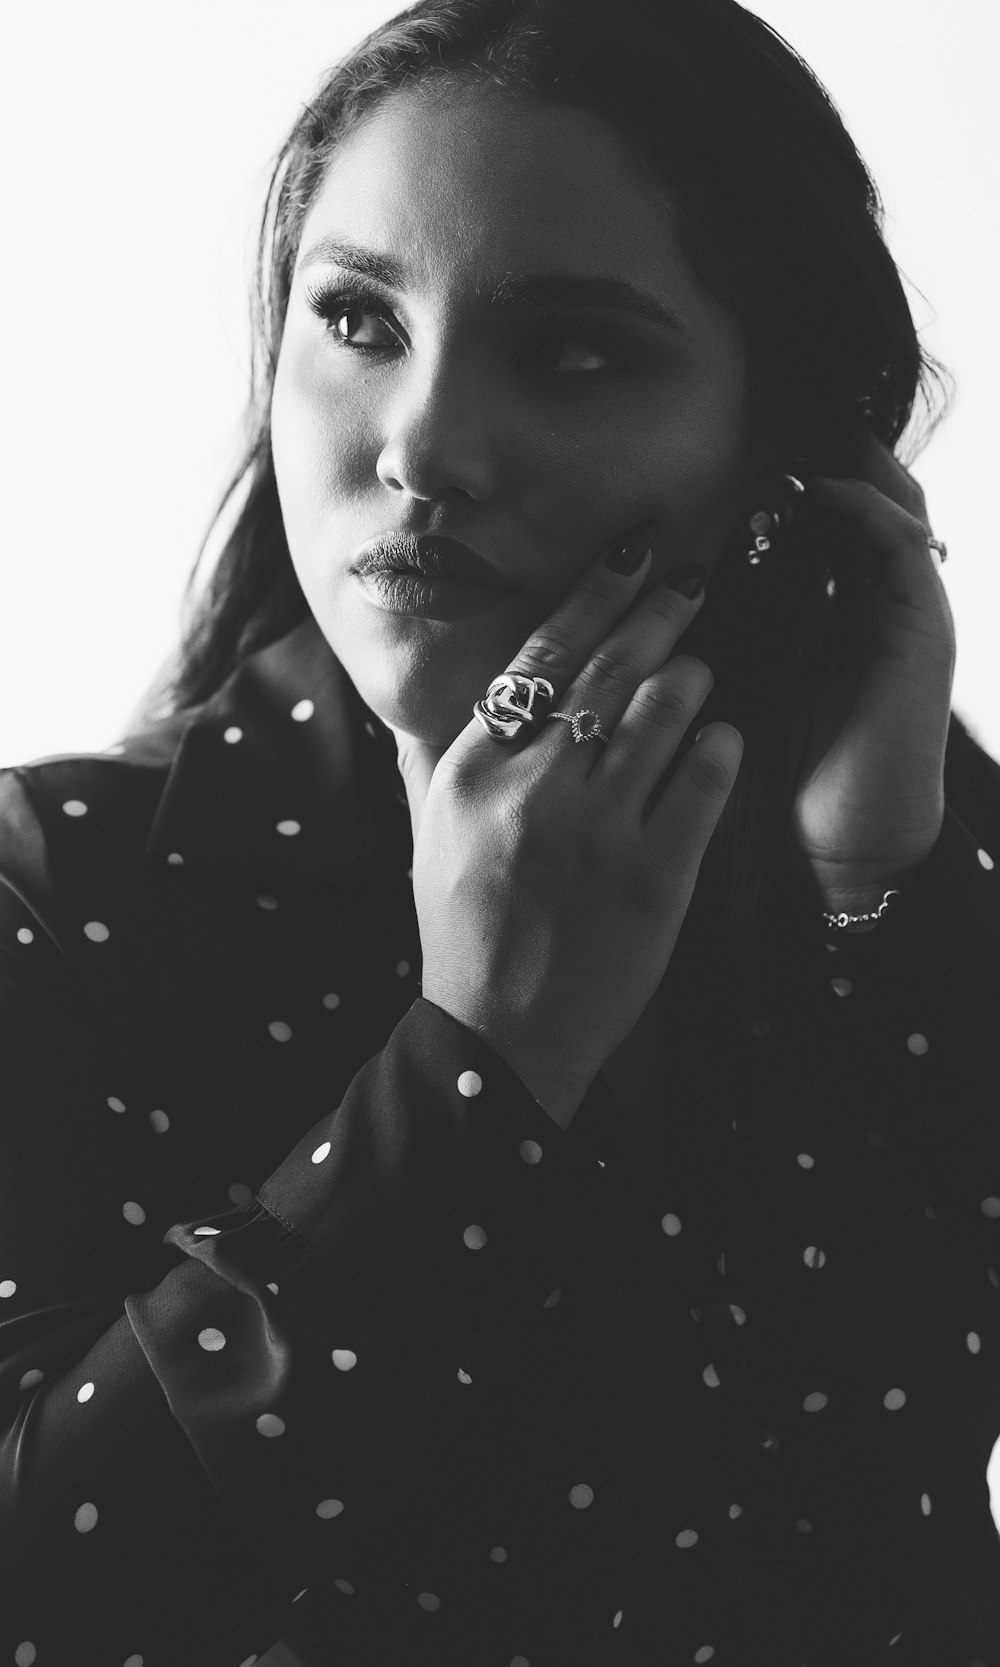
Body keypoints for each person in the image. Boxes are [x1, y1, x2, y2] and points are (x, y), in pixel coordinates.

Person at [2, 0, 998, 1661]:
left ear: (791, 445)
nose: (422, 446)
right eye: (358, 319)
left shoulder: (902, 874)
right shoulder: (63, 894)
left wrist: (883, 890)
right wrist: (483, 1058)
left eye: (574, 350)